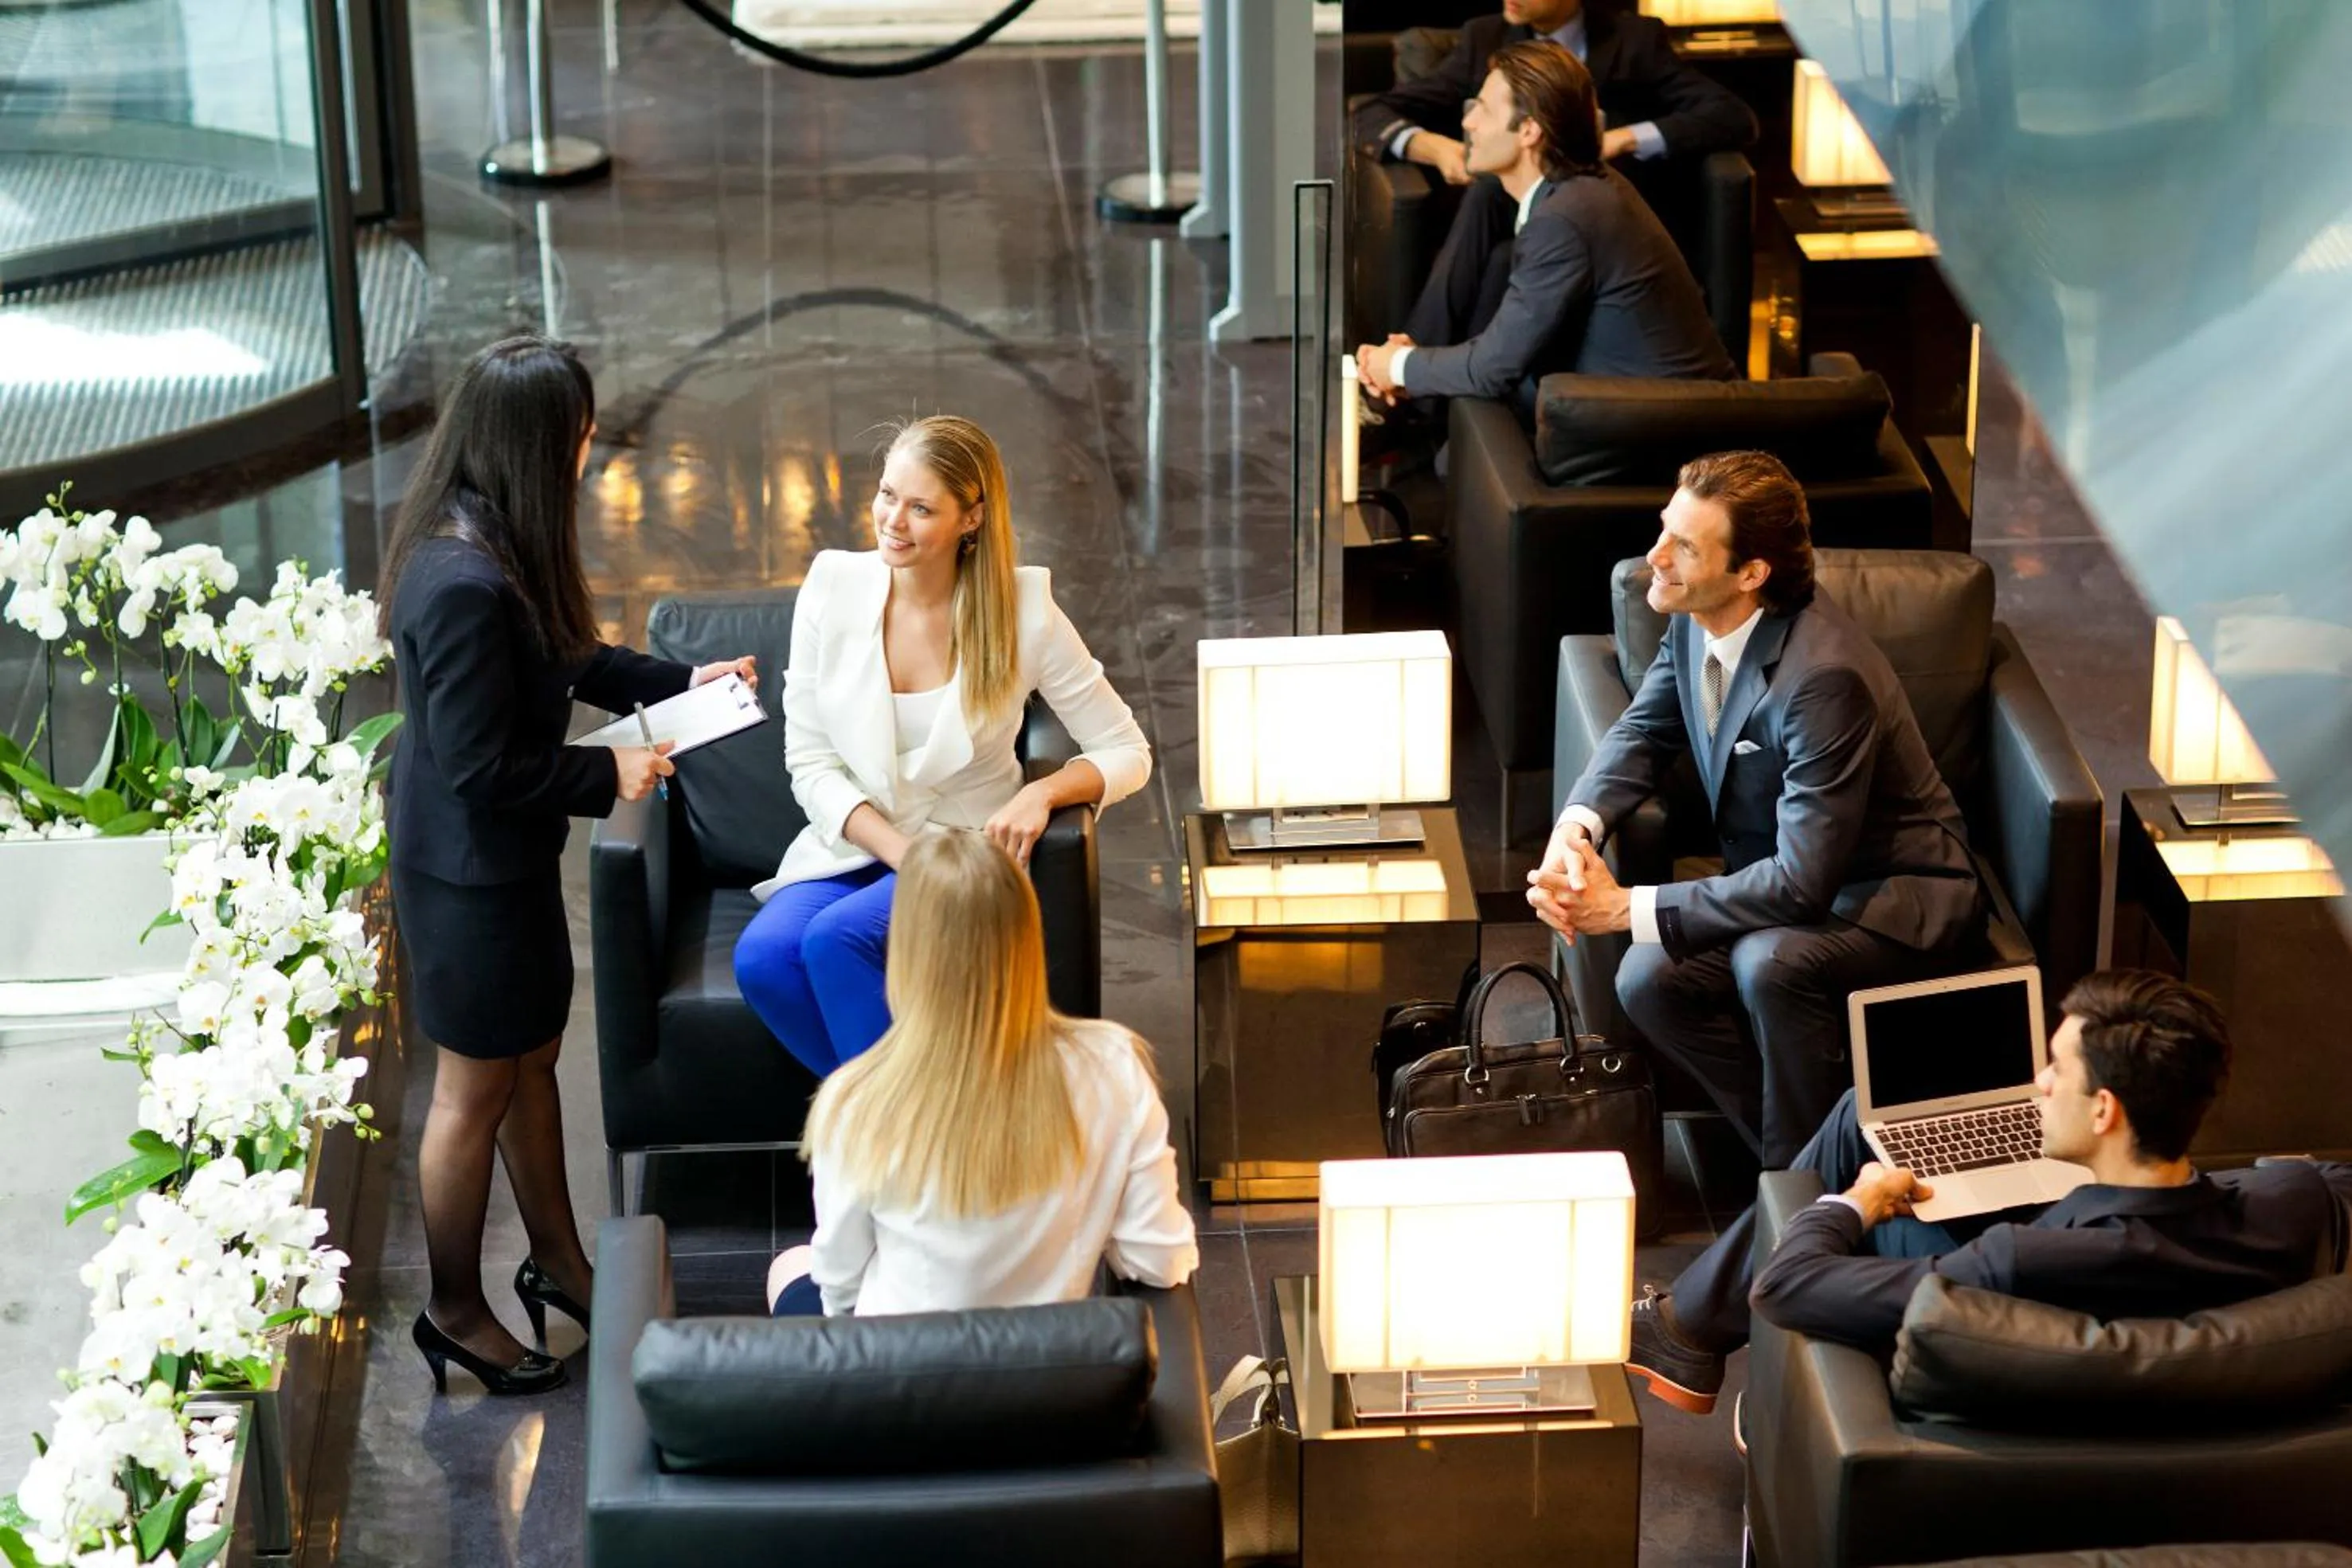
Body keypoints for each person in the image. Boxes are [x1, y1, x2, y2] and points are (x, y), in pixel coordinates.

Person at [382, 335, 757, 1395]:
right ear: (541, 445)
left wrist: (688, 681)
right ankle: (455, 1309)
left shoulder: (498, 536)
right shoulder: (457, 580)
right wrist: (613, 775)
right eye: (582, 436)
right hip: (464, 875)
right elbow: (481, 769)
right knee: (471, 1090)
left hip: (501, 859)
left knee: (532, 1058)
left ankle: (559, 1263)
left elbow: (573, 655)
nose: (591, 452)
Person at [1528, 449, 1982, 1167]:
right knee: (1644, 979)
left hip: (1890, 894)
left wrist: (1623, 909)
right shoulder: (1694, 614)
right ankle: (1817, 1159)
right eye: (1662, 531)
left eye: (1682, 546)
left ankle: (1797, 1200)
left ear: (1751, 573)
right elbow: (1645, 729)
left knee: (1769, 963)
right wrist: (1574, 828)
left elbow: (1804, 883)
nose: (1655, 558)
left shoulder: (1822, 678)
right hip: (1792, 876)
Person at [1624, 969, 2352, 1416]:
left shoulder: (2010, 1261)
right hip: (2130, 1265)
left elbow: (1788, 1284)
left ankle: (1694, 1335)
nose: (2037, 1083)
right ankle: (1686, 1325)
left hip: (2001, 1362)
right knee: (1857, 1115)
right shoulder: (2294, 1202)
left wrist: (1861, 1200)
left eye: (2054, 1071)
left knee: (1855, 1136)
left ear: (2103, 1111)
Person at [732, 416, 1151, 1077]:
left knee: (836, 941)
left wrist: (1043, 791)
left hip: (964, 849)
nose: (892, 520)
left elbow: (1127, 750)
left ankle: (890, 1162)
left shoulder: (1024, 611)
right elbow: (808, 761)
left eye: (921, 507)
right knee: (763, 959)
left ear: (971, 518)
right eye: (886, 494)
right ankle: (906, 1139)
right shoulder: (833, 587)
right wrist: (901, 853)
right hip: (861, 843)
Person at [763, 831, 1198, 1316]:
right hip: (1053, 1376)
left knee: (791, 1266)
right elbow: (1160, 1261)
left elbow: (840, 1296)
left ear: (905, 951)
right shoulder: (1114, 1065)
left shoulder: (857, 1099)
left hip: (903, 1378)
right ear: (1028, 932)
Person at [1353, 40, 1733, 428]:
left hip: (1651, 428)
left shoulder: (1564, 217)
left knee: (1464, 442)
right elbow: (1502, 354)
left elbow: (1493, 368)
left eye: (1483, 109)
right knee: (1464, 435)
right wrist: (1414, 364)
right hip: (1623, 403)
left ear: (1529, 130)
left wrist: (1397, 365)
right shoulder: (1576, 191)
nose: (1468, 123)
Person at [1350, 1, 1758, 202]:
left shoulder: (1633, 41)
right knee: (1487, 196)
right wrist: (1437, 149)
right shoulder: (1484, 39)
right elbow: (1367, 114)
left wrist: (1620, 140)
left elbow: (1733, 116)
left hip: (1602, 205)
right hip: (1501, 210)